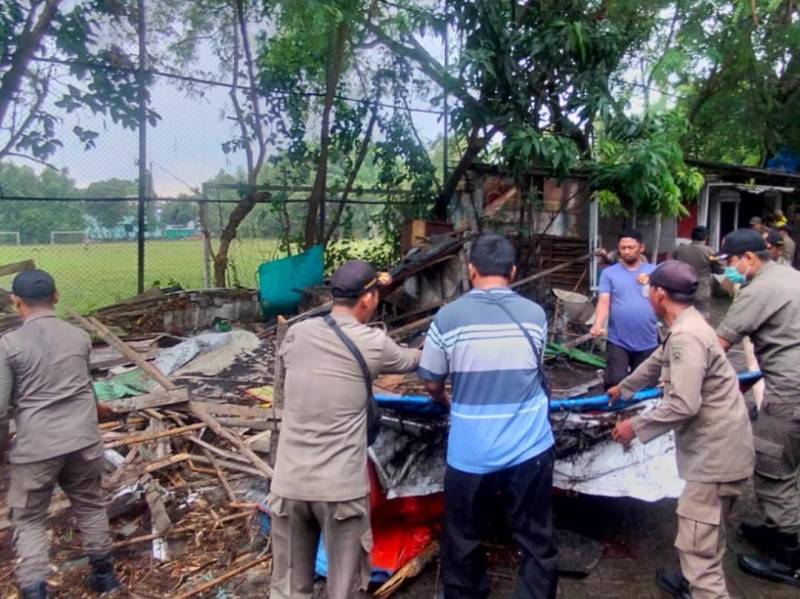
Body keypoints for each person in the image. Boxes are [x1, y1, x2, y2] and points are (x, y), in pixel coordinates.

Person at [268, 260, 421, 599]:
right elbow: (412, 361)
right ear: (367, 299)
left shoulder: (297, 333)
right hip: (340, 491)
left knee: (288, 589)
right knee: (345, 589)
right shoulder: (373, 343)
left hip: (289, 484)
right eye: (376, 294)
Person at [419, 234, 558, 599]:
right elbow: (533, 367)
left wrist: (443, 398)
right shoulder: (535, 315)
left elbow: (431, 380)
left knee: (463, 537)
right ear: (512, 272)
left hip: (471, 451)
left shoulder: (447, 318)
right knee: (536, 537)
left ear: (471, 270)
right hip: (530, 448)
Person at [609, 261, 754, 599]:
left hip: (714, 459)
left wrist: (634, 426)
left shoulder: (686, 337)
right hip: (727, 450)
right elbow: (658, 361)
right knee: (707, 537)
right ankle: (693, 582)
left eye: (648, 289)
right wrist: (624, 388)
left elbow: (683, 404)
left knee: (698, 552)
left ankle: (703, 589)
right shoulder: (690, 323)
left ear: (659, 294)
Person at [0, 270, 120, 599]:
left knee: (29, 519)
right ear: (56, 297)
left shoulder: (9, 345)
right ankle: (105, 578)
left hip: (37, 448)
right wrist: (98, 411)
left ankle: (35, 590)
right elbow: (85, 385)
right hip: (83, 441)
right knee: (90, 505)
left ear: (16, 302)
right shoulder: (78, 336)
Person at [715, 229, 800, 586]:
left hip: (790, 392)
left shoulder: (758, 290)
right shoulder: (791, 276)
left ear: (749, 258)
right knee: (791, 461)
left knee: (772, 467)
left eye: (730, 263)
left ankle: (789, 558)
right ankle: (776, 530)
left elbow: (717, 345)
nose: (728, 271)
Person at [590, 229, 658, 388]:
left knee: (645, 384)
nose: (626, 251)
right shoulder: (609, 273)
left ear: (641, 248)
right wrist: (598, 324)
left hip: (648, 339)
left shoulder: (653, 272)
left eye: (631, 247)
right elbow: (604, 301)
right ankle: (612, 404)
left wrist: (652, 279)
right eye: (623, 248)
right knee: (615, 381)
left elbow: (673, 276)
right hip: (618, 340)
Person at [671, 226, 723, 320]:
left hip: (683, 290)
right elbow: (719, 270)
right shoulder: (709, 252)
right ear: (706, 238)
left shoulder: (679, 250)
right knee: (701, 318)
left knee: (683, 317)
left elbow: (674, 263)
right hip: (701, 290)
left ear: (692, 236)